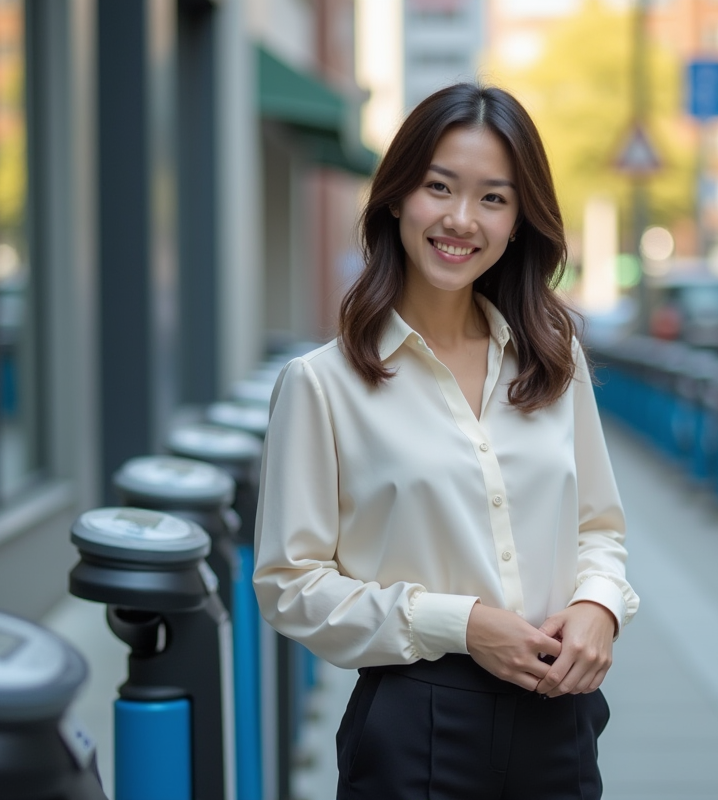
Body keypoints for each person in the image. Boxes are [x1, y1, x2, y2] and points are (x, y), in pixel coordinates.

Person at [253, 83, 639, 800]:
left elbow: (598, 526)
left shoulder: (553, 360)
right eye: (439, 187)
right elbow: (290, 584)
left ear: (519, 222)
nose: (461, 219)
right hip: (415, 718)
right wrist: (460, 625)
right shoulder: (322, 384)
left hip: (557, 713)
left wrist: (599, 606)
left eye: (493, 198)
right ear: (397, 198)